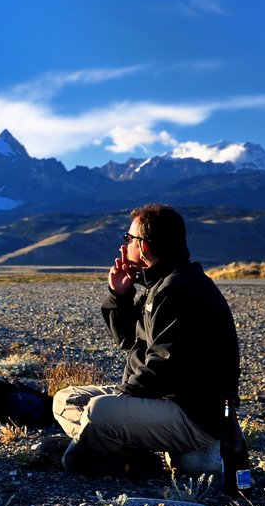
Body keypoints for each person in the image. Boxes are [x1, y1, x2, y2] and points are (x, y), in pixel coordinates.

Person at [52, 204, 240, 477]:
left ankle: (93, 451)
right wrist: (120, 296)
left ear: (145, 247)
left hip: (191, 415)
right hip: (159, 399)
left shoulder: (179, 289)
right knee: (66, 398)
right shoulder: (161, 284)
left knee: (100, 412)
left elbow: (164, 367)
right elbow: (130, 341)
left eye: (129, 239)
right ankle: (121, 447)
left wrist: (123, 398)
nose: (123, 246)